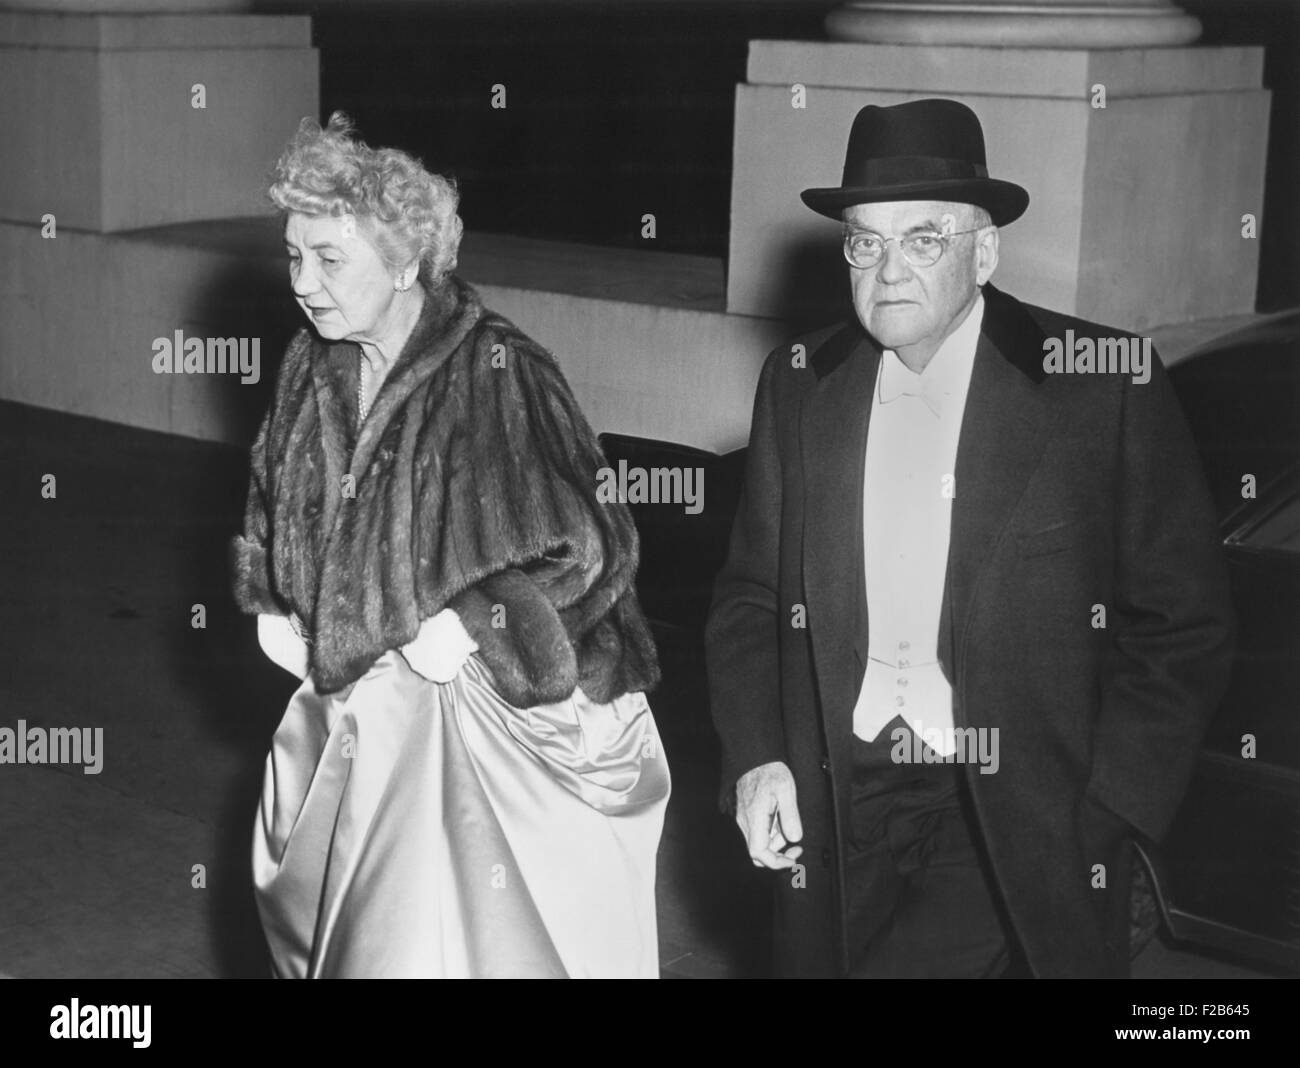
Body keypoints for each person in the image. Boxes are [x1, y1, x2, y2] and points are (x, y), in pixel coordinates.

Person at [705, 98, 1234, 978]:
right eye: (865, 243)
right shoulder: (800, 387)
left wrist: (1108, 804)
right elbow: (750, 599)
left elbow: (1185, 623)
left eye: (924, 239)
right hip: (840, 791)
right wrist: (759, 757)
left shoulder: (1100, 385)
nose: (888, 271)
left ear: (984, 252)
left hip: (1011, 809)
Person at [231, 112, 669, 979]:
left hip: (492, 721)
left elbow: (595, 542)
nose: (303, 281)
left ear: (403, 264)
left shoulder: (498, 369)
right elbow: (271, 497)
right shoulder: (309, 366)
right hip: (361, 703)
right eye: (293, 255)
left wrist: (475, 621)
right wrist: (273, 594)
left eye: (329, 258)